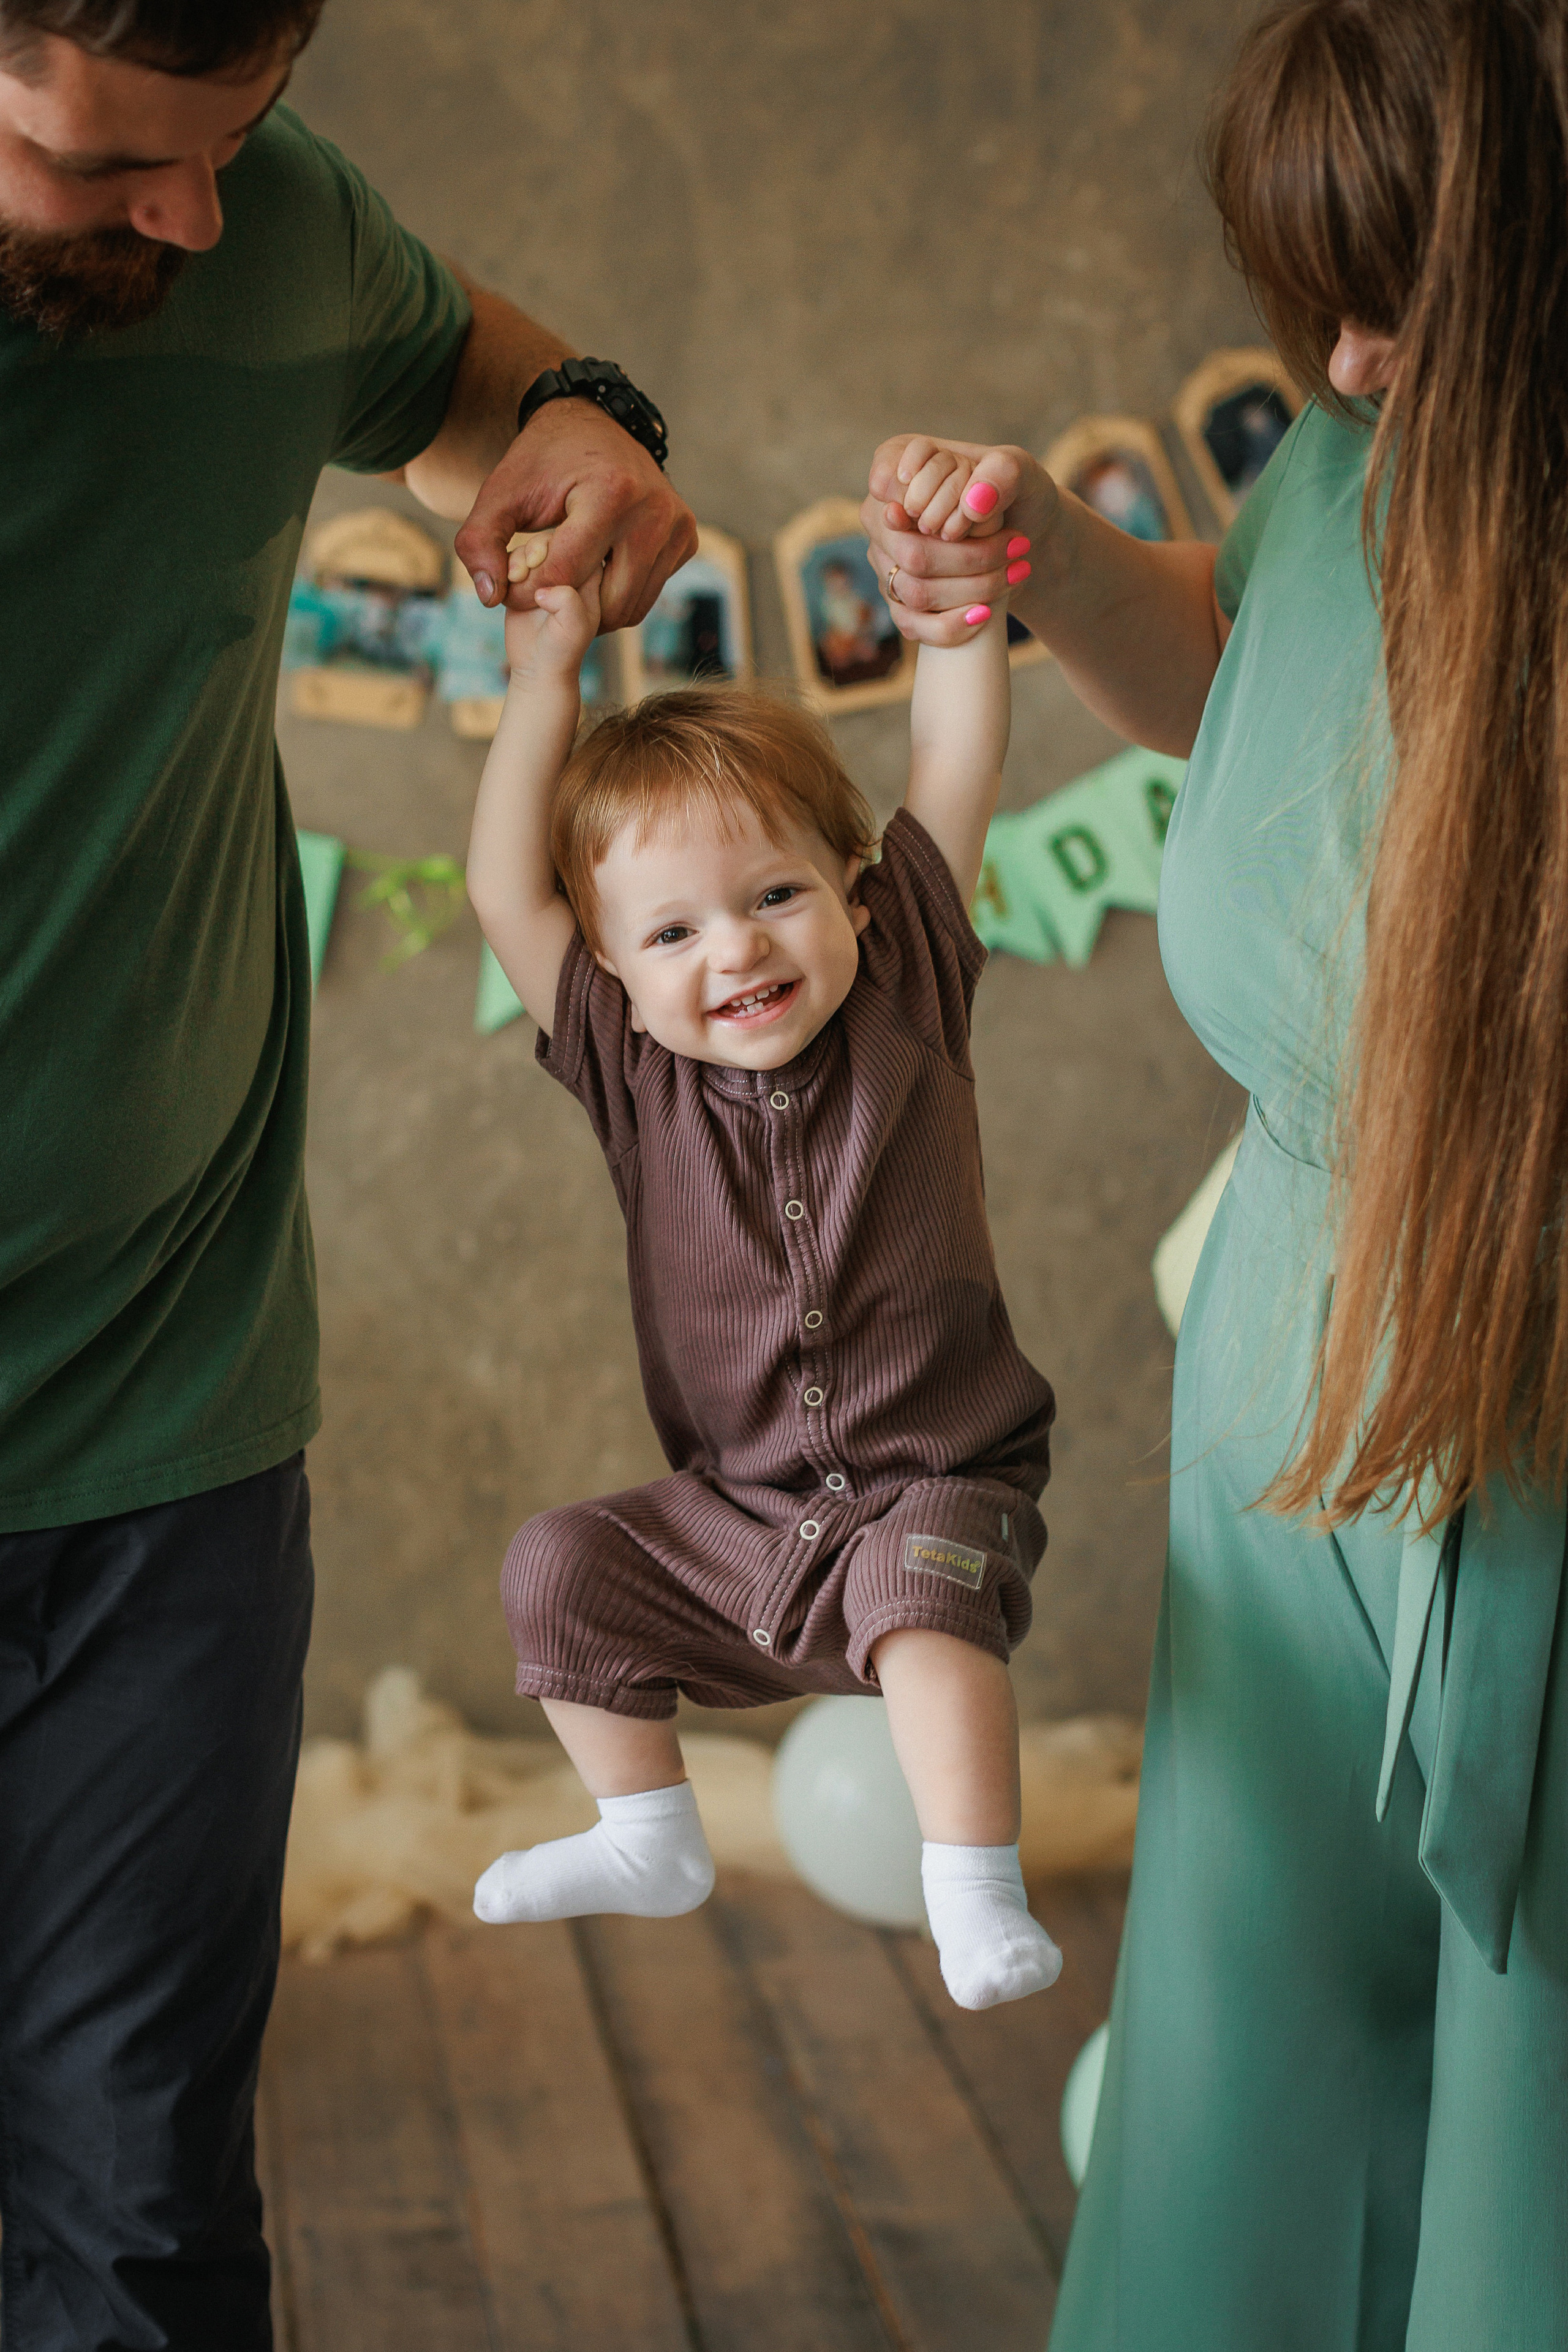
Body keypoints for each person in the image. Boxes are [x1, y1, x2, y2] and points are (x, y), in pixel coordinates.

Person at [862, 0, 1568, 2342]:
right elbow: (1241, 650)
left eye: (1394, 298)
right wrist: (1057, 559)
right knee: (1256, 2034)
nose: (1343, 354)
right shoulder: (1355, 440)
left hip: (1521, 1382)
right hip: (1299, 1349)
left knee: (1522, 2076)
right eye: (1316, 295)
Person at [0, 1, 695, 2343]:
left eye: (238, 140)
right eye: (103, 170)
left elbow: (499, 381)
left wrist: (598, 434)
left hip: (166, 1446)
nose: (189, 219)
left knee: (142, 2226)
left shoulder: (264, 236)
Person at [462, 496, 1064, 2014]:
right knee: (558, 1565)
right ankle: (644, 1831)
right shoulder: (623, 1065)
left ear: (855, 894)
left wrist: (954, 620)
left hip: (936, 1479)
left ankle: (970, 1892)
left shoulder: (908, 986)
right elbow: (500, 887)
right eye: (669, 935)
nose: (732, 951)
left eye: (774, 896)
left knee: (922, 1606)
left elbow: (955, 762)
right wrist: (544, 681)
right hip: (737, 1517)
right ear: (606, 970)